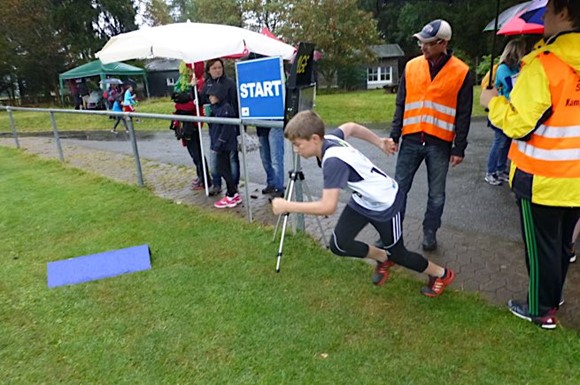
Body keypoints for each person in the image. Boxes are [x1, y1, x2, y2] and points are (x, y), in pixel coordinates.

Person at [272, 110, 456, 297]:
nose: (296, 150)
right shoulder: (328, 139)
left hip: (387, 205)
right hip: (363, 200)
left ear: (314, 139)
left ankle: (441, 274)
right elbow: (351, 127)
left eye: (297, 145)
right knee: (339, 244)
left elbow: (328, 206)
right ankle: (383, 258)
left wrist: (288, 206)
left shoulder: (333, 162)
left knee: (399, 254)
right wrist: (379, 142)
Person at [480, 0, 580, 329]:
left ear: (565, 13)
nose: (544, 17)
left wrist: (493, 102)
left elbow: (520, 124)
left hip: (542, 177)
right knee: (562, 245)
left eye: (550, 10)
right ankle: (554, 297)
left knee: (540, 250)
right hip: (575, 178)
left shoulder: (544, 65)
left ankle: (539, 308)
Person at [377, 19, 473, 252]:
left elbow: (464, 113)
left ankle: (430, 232)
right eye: (421, 42)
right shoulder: (411, 67)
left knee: (436, 194)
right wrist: (394, 135)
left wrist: (459, 147)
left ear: (443, 43)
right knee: (398, 189)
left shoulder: (461, 72)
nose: (423, 47)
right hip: (410, 139)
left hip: (439, 143)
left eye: (428, 43)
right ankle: (392, 233)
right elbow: (401, 103)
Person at [484, 39, 526, 186]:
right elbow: (512, 86)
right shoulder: (503, 69)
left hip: (512, 109)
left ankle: (501, 170)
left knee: (506, 143)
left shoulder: (518, 67)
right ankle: (490, 172)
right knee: (500, 142)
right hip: (501, 110)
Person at [199, 59, 240, 196]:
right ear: (209, 70)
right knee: (215, 155)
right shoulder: (207, 84)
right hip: (214, 127)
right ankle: (216, 183)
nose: (218, 70)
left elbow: (235, 103)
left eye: (220, 67)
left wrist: (238, 126)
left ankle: (233, 185)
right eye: (214, 68)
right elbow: (201, 100)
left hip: (229, 126)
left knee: (232, 157)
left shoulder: (230, 83)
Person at [172, 61, 211, 191]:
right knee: (193, 152)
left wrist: (180, 103)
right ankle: (201, 176)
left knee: (197, 152)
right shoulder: (188, 82)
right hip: (188, 121)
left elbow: (194, 103)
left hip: (193, 122)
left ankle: (205, 179)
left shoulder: (199, 83)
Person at [207, 83, 242, 209]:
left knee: (223, 168)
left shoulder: (226, 108)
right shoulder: (214, 108)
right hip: (219, 143)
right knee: (223, 168)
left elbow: (226, 128)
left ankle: (231, 194)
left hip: (225, 144)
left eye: (212, 95)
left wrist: (219, 143)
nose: (210, 97)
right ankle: (233, 193)